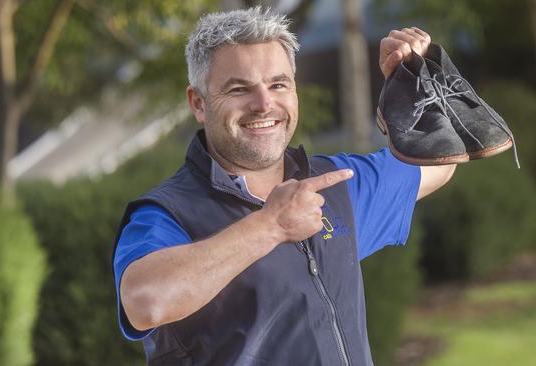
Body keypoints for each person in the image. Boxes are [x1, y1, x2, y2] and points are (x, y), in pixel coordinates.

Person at [113, 7, 456, 365]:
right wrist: (270, 225)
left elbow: (438, 161)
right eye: (239, 89)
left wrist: (411, 82)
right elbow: (145, 303)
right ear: (199, 103)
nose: (264, 104)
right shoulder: (167, 213)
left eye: (278, 84)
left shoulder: (335, 184)